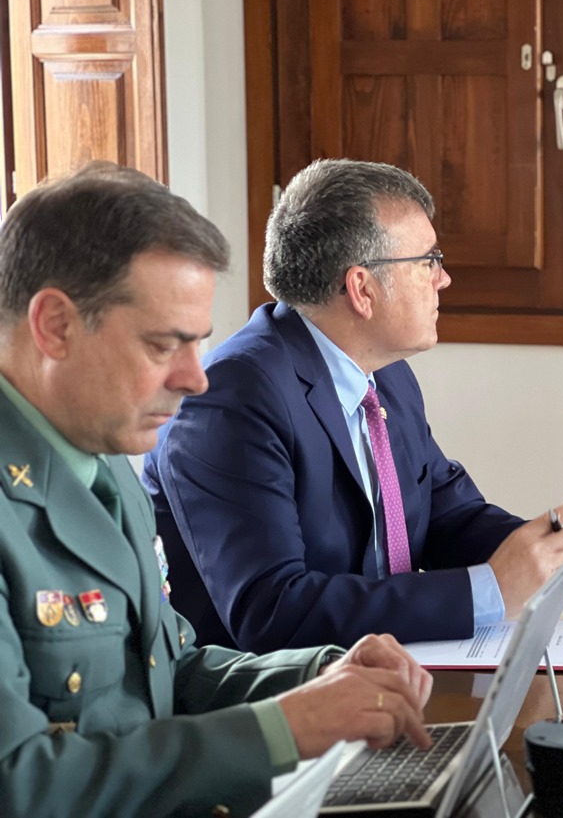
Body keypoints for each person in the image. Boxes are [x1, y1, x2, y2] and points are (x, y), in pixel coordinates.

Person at [0, 162, 435, 817]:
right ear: (55, 325)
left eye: (198, 344)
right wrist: (281, 730)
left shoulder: (104, 455)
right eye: (162, 345)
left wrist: (320, 675)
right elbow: (20, 783)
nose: (195, 379)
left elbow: (167, 667)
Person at [143, 158, 563, 652]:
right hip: (267, 701)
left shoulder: (385, 373)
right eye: (429, 261)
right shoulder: (233, 397)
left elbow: (443, 510)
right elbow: (272, 609)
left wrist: (554, 555)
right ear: (362, 288)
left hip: (374, 672)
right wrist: (492, 590)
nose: (444, 280)